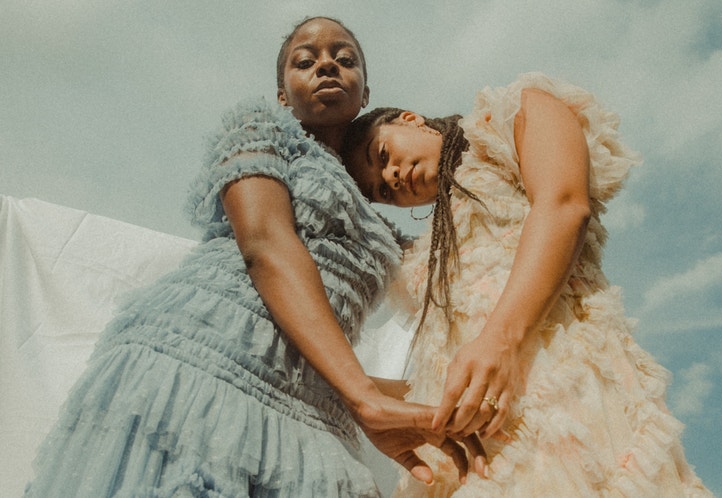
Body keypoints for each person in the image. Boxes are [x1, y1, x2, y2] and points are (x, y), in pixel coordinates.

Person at [23, 17, 479, 498]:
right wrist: (364, 396)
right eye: (305, 61)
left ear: (365, 93)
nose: (326, 64)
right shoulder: (262, 130)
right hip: (208, 358)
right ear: (284, 95)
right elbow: (265, 245)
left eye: (345, 59)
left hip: (312, 399)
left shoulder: (377, 214)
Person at [342, 72, 714, 496]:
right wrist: (356, 399)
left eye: (383, 154)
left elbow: (564, 205)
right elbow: (430, 366)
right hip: (472, 452)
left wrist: (499, 341)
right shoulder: (426, 257)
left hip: (566, 402)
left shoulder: (510, 115)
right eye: (381, 191)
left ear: (411, 119)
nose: (389, 176)